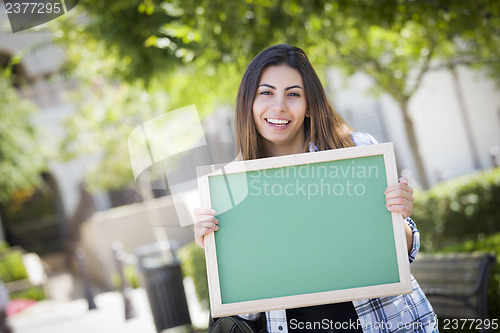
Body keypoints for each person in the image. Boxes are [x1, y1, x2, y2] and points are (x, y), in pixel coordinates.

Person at [194, 44, 438, 333]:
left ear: (309, 105)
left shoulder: (355, 151)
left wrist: (398, 217)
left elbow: (404, 253)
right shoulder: (230, 187)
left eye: (293, 94)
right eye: (267, 92)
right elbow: (246, 311)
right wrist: (219, 257)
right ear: (249, 102)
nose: (279, 106)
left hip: (379, 323)